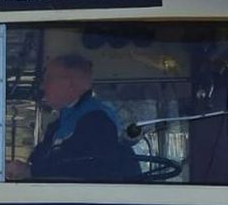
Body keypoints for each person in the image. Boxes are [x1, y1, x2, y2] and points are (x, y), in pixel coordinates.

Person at [8, 54, 140, 181]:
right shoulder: (58, 124)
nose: (43, 86)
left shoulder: (98, 122)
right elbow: (39, 157)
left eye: (48, 79)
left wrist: (32, 171)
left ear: (68, 84)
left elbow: (86, 167)